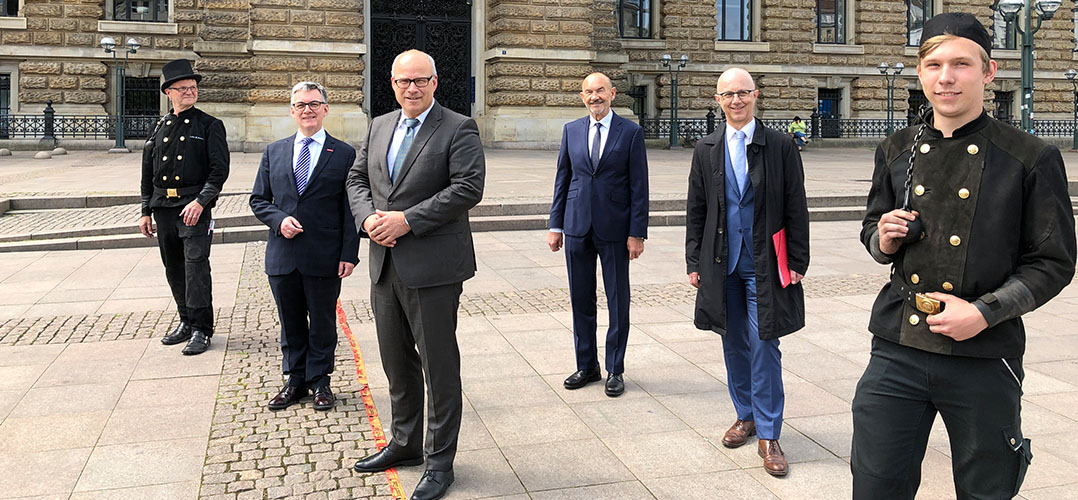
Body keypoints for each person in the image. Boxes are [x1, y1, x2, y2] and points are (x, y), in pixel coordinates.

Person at [851, 12, 1076, 499]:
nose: (945, 77)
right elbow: (872, 228)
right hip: (897, 346)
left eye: (961, 64)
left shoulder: (1030, 157)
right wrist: (884, 238)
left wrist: (983, 312)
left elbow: (1054, 262)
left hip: (984, 352)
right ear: (920, 72)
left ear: (989, 72)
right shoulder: (895, 148)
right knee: (875, 483)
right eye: (933, 65)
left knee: (986, 488)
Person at [346, 49, 484, 500]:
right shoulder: (379, 125)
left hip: (434, 266)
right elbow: (356, 180)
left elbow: (467, 188)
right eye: (404, 81)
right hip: (385, 264)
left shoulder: (458, 126)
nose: (411, 87)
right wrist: (368, 219)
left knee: (439, 367)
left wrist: (407, 219)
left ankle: (440, 462)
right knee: (396, 362)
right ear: (392, 83)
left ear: (435, 82)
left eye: (420, 80)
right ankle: (405, 443)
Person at [684, 67, 809, 477]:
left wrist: (798, 260)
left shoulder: (779, 145)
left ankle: (770, 433)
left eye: (743, 93)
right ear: (716, 99)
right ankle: (746, 415)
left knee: (765, 342)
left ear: (756, 95)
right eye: (727, 95)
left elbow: (796, 204)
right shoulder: (706, 147)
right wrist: (693, 261)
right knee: (733, 341)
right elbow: (697, 209)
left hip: (766, 262)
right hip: (722, 262)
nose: (735, 101)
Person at [249, 81, 359, 412]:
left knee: (323, 322)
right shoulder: (275, 151)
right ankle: (295, 380)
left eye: (314, 104)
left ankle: (320, 381)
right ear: (292, 111)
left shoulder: (343, 153)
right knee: (291, 321)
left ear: (326, 109)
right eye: (300, 105)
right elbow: (258, 199)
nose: (307, 110)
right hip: (283, 254)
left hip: (324, 255)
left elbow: (350, 207)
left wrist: (348, 254)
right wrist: (278, 219)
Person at [547, 72, 648, 397]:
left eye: (600, 91)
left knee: (618, 300)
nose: (595, 97)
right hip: (576, 225)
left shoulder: (630, 132)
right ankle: (587, 365)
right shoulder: (571, 130)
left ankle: (614, 369)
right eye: (589, 92)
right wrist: (555, 224)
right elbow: (563, 178)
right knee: (581, 299)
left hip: (616, 228)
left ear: (612, 93)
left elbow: (639, 187)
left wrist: (637, 233)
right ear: (582, 96)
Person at [139, 58, 229, 356]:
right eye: (183, 88)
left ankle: (203, 328)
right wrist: (144, 210)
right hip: (164, 206)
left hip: (193, 208)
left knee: (196, 268)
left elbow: (219, 171)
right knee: (174, 268)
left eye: (193, 87)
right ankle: (185, 321)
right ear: (169, 92)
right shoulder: (159, 127)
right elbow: (147, 171)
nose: (190, 92)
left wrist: (202, 202)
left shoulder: (209, 125)